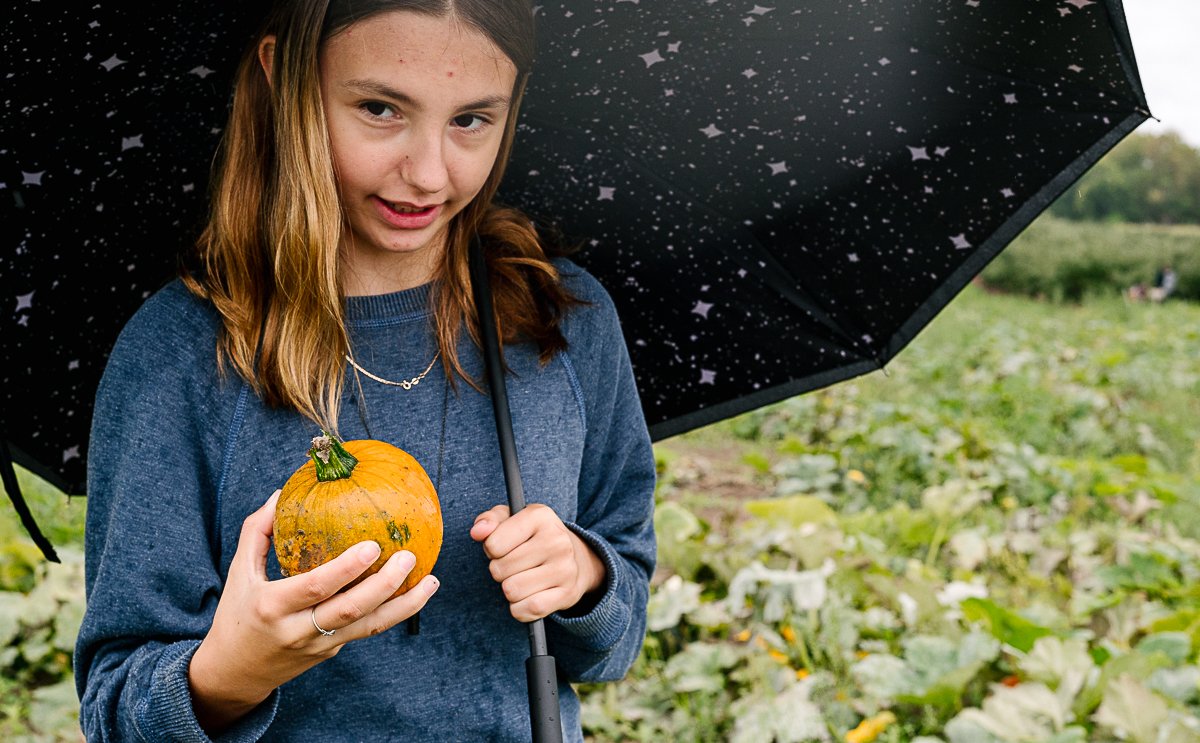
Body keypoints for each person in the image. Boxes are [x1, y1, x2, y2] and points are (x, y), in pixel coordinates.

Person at [73, 1, 656, 741]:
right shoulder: (182, 356)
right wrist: (236, 667)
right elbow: (116, 710)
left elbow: (619, 636)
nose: (429, 172)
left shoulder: (562, 321)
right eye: (381, 108)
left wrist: (586, 577)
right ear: (284, 76)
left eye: (473, 119)